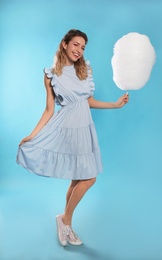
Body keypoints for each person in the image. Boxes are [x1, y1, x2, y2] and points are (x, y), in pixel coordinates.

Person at [17, 29, 129, 247]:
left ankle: (64, 221)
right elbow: (49, 110)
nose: (79, 50)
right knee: (89, 178)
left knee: (79, 178)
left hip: (85, 127)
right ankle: (66, 221)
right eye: (76, 44)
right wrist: (33, 135)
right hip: (66, 128)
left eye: (83, 47)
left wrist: (115, 105)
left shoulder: (85, 70)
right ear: (64, 44)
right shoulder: (50, 75)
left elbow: (88, 101)